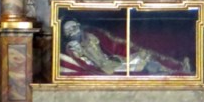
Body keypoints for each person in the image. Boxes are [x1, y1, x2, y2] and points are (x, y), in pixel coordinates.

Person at [59, 19, 191, 76]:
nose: (73, 30)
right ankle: (175, 72)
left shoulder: (88, 36)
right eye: (69, 29)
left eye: (74, 26)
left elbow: (106, 47)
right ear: (66, 34)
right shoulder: (72, 46)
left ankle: (176, 68)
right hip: (107, 68)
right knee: (145, 63)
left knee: (144, 56)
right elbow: (87, 63)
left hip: (112, 61)